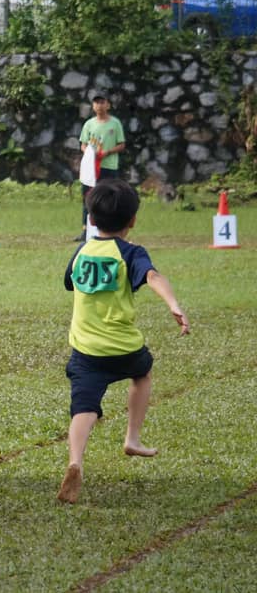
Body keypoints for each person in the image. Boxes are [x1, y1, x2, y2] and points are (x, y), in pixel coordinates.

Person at [57, 179, 189, 504]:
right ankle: (132, 438)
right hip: (124, 347)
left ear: (91, 219)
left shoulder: (82, 251)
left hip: (86, 349)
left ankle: (75, 461)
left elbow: (69, 283)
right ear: (133, 220)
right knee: (142, 373)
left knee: (84, 406)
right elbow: (152, 277)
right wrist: (173, 304)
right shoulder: (131, 253)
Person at [75, 94, 125, 241]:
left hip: (109, 167)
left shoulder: (115, 124)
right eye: (96, 103)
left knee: (109, 197)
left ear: (108, 105)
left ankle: (111, 229)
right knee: (88, 197)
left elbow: (121, 144)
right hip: (91, 168)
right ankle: (86, 230)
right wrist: (90, 154)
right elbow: (83, 144)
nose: (99, 106)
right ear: (93, 106)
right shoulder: (89, 124)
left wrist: (107, 152)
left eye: (102, 102)